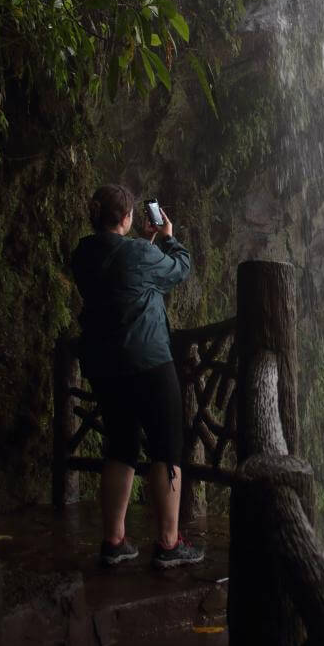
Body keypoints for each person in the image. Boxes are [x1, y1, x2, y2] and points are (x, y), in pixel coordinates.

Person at [71, 184, 203, 568]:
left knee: (121, 446)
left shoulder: (83, 254)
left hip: (104, 365)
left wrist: (144, 245)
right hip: (148, 359)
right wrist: (167, 238)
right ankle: (168, 543)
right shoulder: (139, 253)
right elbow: (179, 269)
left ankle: (114, 541)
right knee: (166, 445)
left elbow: (124, 276)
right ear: (127, 218)